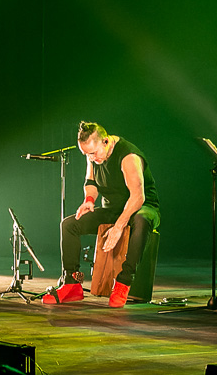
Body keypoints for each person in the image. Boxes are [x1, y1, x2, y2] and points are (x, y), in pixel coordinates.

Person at [58, 121, 160, 307]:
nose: (91, 158)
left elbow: (138, 196)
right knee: (69, 224)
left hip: (141, 207)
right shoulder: (93, 155)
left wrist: (119, 226)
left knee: (141, 219)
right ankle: (71, 283)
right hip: (112, 209)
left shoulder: (128, 156)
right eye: (86, 154)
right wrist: (89, 200)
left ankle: (124, 282)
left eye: (93, 153)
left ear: (105, 141)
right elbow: (91, 182)